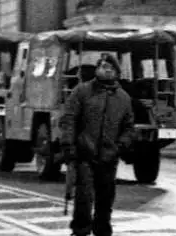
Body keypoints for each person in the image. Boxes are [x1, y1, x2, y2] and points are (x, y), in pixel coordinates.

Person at [59, 53, 135, 236]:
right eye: (102, 66)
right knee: (83, 197)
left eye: (110, 68)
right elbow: (69, 119)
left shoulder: (123, 98)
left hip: (109, 157)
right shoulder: (82, 91)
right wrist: (68, 145)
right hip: (85, 154)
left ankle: (102, 231)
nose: (106, 70)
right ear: (96, 69)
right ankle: (80, 231)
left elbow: (129, 127)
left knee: (105, 199)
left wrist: (120, 147)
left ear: (116, 73)